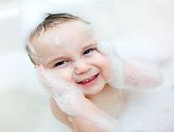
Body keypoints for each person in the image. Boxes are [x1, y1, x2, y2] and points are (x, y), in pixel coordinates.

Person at [25, 13, 163, 132]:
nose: (82, 67)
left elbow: (155, 80)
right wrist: (72, 100)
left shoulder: (112, 73)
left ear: (101, 47)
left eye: (88, 51)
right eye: (61, 62)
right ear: (45, 75)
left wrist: (119, 66)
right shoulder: (66, 104)